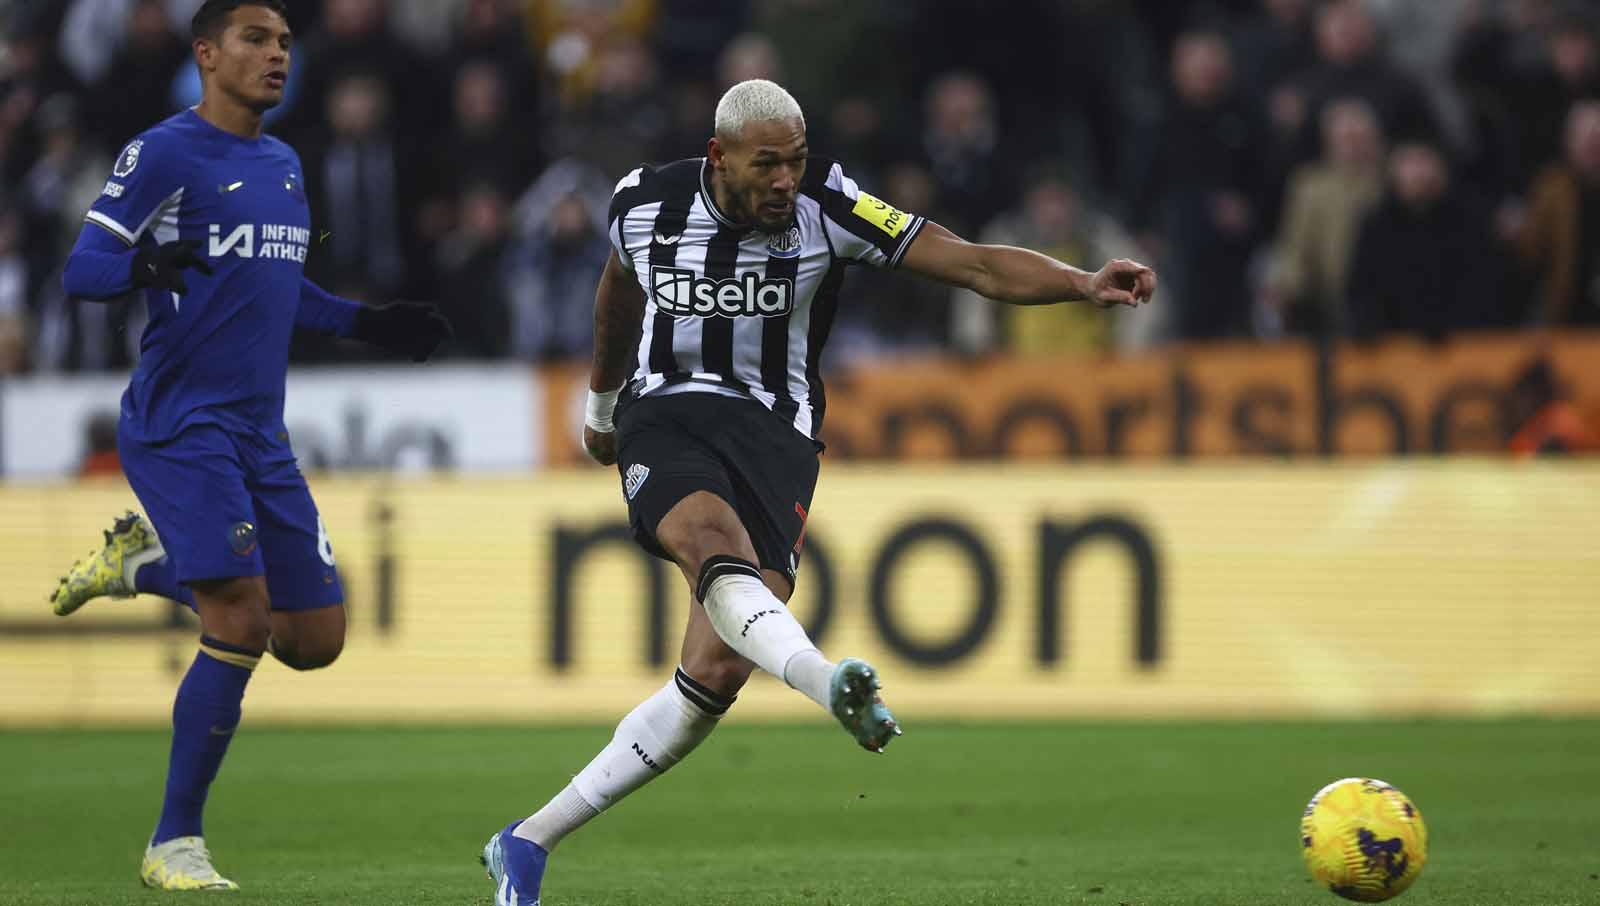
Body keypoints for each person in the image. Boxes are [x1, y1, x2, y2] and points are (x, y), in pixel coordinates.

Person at [481, 78, 1155, 905]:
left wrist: (1081, 281)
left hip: (776, 440)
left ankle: (527, 840)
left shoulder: (829, 207)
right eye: (767, 165)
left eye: (795, 162)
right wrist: (601, 404)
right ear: (718, 157)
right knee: (710, 545)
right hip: (667, 414)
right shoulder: (643, 201)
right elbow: (618, 292)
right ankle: (826, 679)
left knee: (717, 670)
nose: (784, 182)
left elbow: (972, 263)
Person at [48, 0, 449, 891]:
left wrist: (367, 325)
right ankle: (173, 844)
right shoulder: (164, 152)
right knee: (240, 617)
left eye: (284, 44)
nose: (276, 56)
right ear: (206, 54)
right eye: (256, 41)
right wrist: (144, 266)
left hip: (258, 432)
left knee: (313, 640)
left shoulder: (283, 163)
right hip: (178, 422)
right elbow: (83, 270)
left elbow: (280, 289)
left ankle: (141, 565)